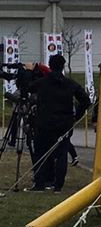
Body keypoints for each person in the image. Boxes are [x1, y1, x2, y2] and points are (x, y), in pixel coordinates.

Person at [29, 54, 91, 192]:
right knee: (61, 154)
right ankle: (58, 186)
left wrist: (31, 73)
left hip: (44, 123)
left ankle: (40, 183)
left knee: (40, 153)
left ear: (50, 66)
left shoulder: (42, 83)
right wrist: (76, 116)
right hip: (64, 123)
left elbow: (27, 87)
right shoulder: (70, 84)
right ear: (63, 66)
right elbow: (86, 101)